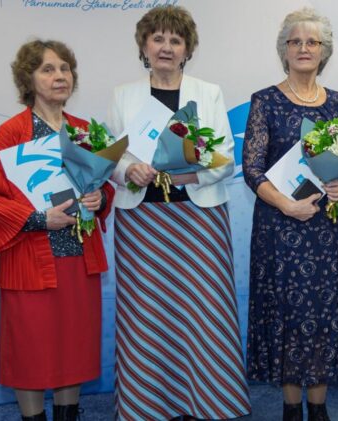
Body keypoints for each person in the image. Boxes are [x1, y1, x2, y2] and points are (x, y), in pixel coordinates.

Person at [107, 5, 249, 420]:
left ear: (187, 49)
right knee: (145, 316)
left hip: (199, 221)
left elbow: (225, 161)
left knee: (206, 313)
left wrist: (186, 178)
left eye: (175, 40)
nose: (166, 47)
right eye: (158, 39)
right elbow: (111, 158)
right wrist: (128, 169)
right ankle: (146, 405)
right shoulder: (122, 95)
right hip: (141, 224)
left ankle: (210, 403)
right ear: (144, 45)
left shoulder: (209, 92)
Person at [0, 39, 113, 421]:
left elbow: (105, 186)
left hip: (78, 258)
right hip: (30, 260)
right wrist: (39, 219)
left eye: (65, 68)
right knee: (30, 351)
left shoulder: (87, 131)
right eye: (48, 69)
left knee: (73, 346)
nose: (59, 76)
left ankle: (69, 415)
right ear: (28, 79)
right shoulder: (11, 133)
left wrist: (100, 198)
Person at [242, 8, 338, 421]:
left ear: (324, 50)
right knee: (289, 317)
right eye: (295, 41)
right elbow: (252, 168)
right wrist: (285, 204)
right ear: (284, 50)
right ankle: (291, 409)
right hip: (280, 228)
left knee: (325, 315)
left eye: (312, 42)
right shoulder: (265, 101)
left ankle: (320, 408)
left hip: (327, 229)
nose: (304, 48)